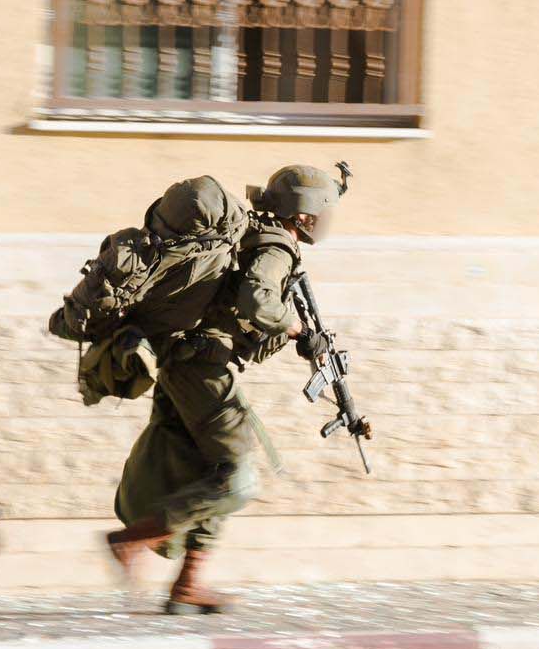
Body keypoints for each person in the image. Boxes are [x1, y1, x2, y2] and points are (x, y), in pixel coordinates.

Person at [50, 165, 344, 615]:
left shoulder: (251, 233)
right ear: (305, 215)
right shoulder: (276, 247)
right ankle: (132, 540)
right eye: (324, 213)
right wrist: (298, 328)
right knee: (237, 476)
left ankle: (188, 584)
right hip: (200, 369)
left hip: (183, 360)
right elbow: (257, 301)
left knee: (210, 468)